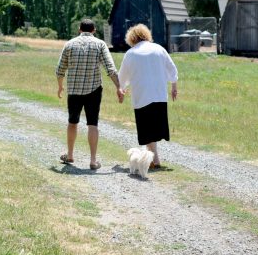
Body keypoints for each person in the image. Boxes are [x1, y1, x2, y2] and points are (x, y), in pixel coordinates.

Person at [56, 19, 122, 170]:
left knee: (72, 122)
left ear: (79, 29)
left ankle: (70, 154)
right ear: (94, 30)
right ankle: (93, 160)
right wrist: (119, 87)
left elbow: (60, 70)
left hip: (73, 90)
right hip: (93, 90)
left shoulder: (69, 44)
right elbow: (110, 68)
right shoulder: (100, 44)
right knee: (93, 124)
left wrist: (60, 87)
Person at [118, 24, 178, 168]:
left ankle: (153, 160)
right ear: (146, 35)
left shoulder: (131, 53)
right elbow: (172, 68)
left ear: (132, 38)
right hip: (159, 95)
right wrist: (174, 87)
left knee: (147, 130)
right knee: (153, 130)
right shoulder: (159, 49)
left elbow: (123, 76)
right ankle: (153, 159)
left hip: (142, 95)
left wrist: (121, 89)